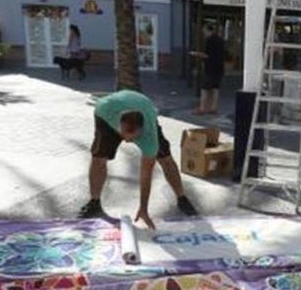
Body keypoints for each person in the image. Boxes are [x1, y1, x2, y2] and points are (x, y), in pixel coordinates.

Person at [78, 90, 199, 230]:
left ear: (142, 130)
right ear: (119, 125)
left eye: (133, 137)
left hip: (142, 104)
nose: (127, 141)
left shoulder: (149, 137)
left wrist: (143, 208)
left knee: (165, 158)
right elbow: (103, 152)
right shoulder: (105, 111)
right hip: (106, 112)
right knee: (98, 158)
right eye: (124, 134)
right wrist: (120, 133)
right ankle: (94, 202)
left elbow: (146, 175)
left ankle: (182, 198)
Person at [191, 23, 225, 115]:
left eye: (204, 31)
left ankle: (202, 108)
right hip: (219, 68)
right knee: (215, 88)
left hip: (210, 68)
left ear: (208, 30)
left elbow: (207, 55)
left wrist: (196, 54)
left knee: (204, 88)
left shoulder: (210, 40)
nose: (204, 33)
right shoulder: (221, 40)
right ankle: (213, 108)